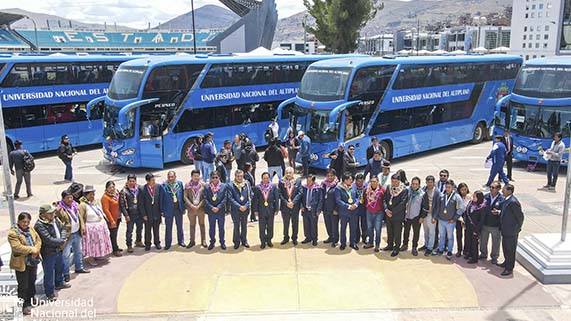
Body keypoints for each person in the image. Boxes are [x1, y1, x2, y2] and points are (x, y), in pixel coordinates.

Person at [8, 212, 41, 314]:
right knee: (23, 285)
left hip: (32, 261)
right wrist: (32, 250)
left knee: (32, 281)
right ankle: (24, 305)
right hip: (21, 263)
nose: (25, 224)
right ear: (18, 221)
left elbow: (38, 240)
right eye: (23, 222)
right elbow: (17, 247)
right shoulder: (13, 233)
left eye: (27, 222)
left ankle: (31, 299)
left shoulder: (30, 229)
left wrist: (36, 249)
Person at [35, 204, 69, 301]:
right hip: (48, 252)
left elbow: (63, 228)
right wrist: (61, 242)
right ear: (42, 215)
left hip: (58, 249)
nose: (52, 215)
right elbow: (48, 239)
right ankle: (49, 293)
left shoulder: (55, 219)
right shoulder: (39, 225)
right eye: (49, 213)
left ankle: (59, 283)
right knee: (49, 273)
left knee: (60, 267)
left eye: (52, 213)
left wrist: (62, 238)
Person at [56, 190, 89, 281]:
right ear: (63, 199)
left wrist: (82, 227)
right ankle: (66, 273)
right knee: (66, 255)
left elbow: (80, 218)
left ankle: (79, 267)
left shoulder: (75, 206)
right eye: (67, 198)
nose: (70, 199)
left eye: (71, 197)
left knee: (78, 251)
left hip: (77, 232)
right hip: (68, 235)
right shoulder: (60, 209)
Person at [78, 185, 112, 266]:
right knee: (92, 244)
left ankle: (98, 255)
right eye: (90, 194)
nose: (92, 196)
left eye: (93, 194)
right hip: (90, 228)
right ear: (86, 195)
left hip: (99, 226)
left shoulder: (95, 202)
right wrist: (82, 228)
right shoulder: (82, 205)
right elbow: (81, 217)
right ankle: (91, 258)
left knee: (98, 243)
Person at [496, 184, 524, 276]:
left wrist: (517, 228)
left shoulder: (513, 202)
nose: (502, 191)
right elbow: (506, 212)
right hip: (505, 229)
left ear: (509, 191)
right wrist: (499, 212)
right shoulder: (506, 200)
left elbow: (520, 217)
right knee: (505, 248)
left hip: (511, 231)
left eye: (504, 189)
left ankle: (509, 268)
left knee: (510, 249)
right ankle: (506, 262)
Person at [434, 179, 465, 260]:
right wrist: (436, 217)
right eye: (446, 187)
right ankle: (440, 250)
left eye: (449, 187)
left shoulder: (456, 196)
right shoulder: (442, 195)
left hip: (450, 221)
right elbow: (438, 207)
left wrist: (455, 218)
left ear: (453, 188)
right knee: (442, 236)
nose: (447, 189)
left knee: (450, 237)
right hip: (441, 220)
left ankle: (449, 251)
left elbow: (461, 208)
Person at [480, 181, 505, 264]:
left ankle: (494, 257)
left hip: (496, 225)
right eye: (491, 187)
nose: (491, 189)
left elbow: (505, 211)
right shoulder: (485, 196)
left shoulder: (502, 199)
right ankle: (483, 254)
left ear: (499, 189)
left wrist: (499, 212)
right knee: (483, 241)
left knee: (496, 242)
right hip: (485, 223)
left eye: (493, 188)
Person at [383, 174, 408, 257]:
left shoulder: (403, 190)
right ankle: (390, 245)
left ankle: (396, 248)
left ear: (399, 181)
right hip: (388, 214)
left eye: (395, 181)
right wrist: (386, 209)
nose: (393, 183)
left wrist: (392, 212)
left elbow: (402, 204)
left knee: (397, 232)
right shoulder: (388, 187)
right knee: (389, 231)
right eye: (392, 181)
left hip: (397, 215)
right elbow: (384, 200)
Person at [252, 172, 279, 249]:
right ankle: (263, 241)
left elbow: (276, 198)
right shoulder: (257, 187)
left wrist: (277, 209)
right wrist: (255, 211)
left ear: (269, 178)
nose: (266, 180)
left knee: (270, 226)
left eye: (267, 178)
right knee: (262, 226)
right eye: (264, 178)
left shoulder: (273, 187)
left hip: (271, 210)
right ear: (262, 179)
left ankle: (269, 240)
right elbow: (255, 200)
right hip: (261, 210)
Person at [227, 170, 252, 249]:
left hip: (245, 209)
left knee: (244, 225)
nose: (240, 178)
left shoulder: (247, 184)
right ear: (235, 176)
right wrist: (239, 206)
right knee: (236, 225)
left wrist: (246, 205)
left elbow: (251, 195)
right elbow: (230, 198)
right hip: (235, 210)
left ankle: (244, 240)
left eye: (241, 176)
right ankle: (236, 241)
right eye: (238, 176)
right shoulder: (230, 185)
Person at [120, 174, 144, 253]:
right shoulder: (123, 191)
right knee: (129, 230)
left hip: (139, 213)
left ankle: (138, 240)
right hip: (130, 214)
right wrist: (126, 215)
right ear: (127, 181)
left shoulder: (139, 189)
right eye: (130, 181)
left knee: (140, 228)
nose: (132, 183)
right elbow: (122, 205)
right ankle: (129, 245)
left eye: (133, 181)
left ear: (135, 181)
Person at [161, 171, 185, 250]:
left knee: (180, 226)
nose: (170, 178)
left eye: (172, 177)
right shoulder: (164, 186)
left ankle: (181, 241)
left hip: (178, 208)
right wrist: (162, 210)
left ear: (175, 177)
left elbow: (182, 196)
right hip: (168, 210)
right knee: (168, 227)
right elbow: (161, 199)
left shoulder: (180, 184)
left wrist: (183, 208)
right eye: (169, 177)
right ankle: (168, 243)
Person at [278, 167, 302, 245]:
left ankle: (294, 238)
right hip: (285, 206)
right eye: (287, 172)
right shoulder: (281, 182)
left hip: (295, 206)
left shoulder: (297, 181)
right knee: (286, 223)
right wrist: (286, 203)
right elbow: (280, 193)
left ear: (293, 173)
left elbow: (300, 193)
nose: (288, 174)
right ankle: (285, 237)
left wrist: (293, 202)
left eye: (290, 173)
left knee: (295, 223)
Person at [336, 173, 360, 251]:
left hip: (354, 211)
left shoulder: (354, 186)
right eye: (349, 179)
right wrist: (348, 206)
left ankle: (352, 243)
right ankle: (343, 243)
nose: (351, 181)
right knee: (343, 228)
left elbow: (357, 196)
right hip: (344, 212)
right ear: (345, 180)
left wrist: (356, 204)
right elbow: (338, 200)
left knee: (353, 228)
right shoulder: (339, 188)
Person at [204, 172, 228, 250]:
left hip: (220, 210)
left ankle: (222, 242)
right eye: (213, 177)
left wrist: (218, 207)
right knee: (212, 228)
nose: (214, 179)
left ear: (219, 178)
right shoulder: (207, 187)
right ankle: (212, 242)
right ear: (210, 178)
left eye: (216, 177)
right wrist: (211, 207)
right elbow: (205, 199)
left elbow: (225, 198)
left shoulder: (224, 186)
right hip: (211, 211)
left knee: (221, 228)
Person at [183, 170, 207, 248]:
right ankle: (192, 241)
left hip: (200, 209)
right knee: (192, 225)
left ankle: (203, 240)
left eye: (198, 176)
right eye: (194, 176)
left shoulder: (203, 185)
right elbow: (185, 196)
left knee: (202, 224)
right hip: (191, 209)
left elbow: (205, 197)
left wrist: (199, 205)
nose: (196, 177)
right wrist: (191, 205)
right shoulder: (187, 185)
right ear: (191, 176)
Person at [402, 177, 424, 256]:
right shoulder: (407, 191)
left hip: (416, 216)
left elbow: (424, 207)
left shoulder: (422, 194)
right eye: (413, 184)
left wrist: (422, 217)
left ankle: (414, 247)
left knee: (416, 232)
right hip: (407, 215)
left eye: (416, 184)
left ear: (419, 185)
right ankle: (405, 245)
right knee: (406, 231)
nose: (414, 186)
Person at [140, 173, 163, 251]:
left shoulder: (158, 187)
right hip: (148, 213)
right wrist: (144, 215)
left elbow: (161, 199)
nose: (154, 181)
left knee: (156, 229)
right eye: (152, 180)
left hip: (157, 212)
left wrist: (161, 211)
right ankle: (148, 244)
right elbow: (141, 203)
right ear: (147, 181)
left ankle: (157, 243)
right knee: (147, 230)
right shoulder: (143, 189)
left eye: (154, 180)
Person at [420, 175, 440, 256]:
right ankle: (426, 244)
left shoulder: (437, 192)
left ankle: (430, 248)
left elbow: (438, 206)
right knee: (426, 231)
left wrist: (435, 217)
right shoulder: (424, 189)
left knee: (432, 232)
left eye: (431, 182)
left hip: (432, 215)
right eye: (428, 182)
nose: (429, 184)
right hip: (425, 214)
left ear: (434, 183)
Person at [364, 176, 385, 252]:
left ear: (378, 181)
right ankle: (370, 242)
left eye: (374, 181)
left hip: (379, 212)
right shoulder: (367, 190)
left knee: (378, 229)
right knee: (369, 228)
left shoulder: (382, 190)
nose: (373, 183)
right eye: (371, 181)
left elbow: (384, 201)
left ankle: (377, 245)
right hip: (369, 211)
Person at [101, 181, 122, 256]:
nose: (112, 189)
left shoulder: (116, 194)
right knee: (113, 234)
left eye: (113, 187)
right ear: (106, 188)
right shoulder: (105, 197)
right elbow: (106, 210)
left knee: (115, 234)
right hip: (112, 219)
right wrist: (111, 220)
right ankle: (115, 250)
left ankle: (115, 246)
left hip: (118, 217)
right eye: (110, 187)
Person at [464, 191, 486, 264]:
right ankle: (469, 254)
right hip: (468, 226)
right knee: (468, 241)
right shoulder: (471, 203)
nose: (473, 198)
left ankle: (474, 258)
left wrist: (476, 230)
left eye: (475, 197)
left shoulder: (482, 207)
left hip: (475, 227)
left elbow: (481, 220)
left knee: (474, 243)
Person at [301, 174, 322, 246]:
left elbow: (320, 200)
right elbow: (300, 197)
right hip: (305, 209)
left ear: (313, 181)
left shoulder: (317, 188)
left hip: (314, 210)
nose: (308, 182)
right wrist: (301, 206)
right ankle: (308, 237)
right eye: (307, 180)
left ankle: (314, 239)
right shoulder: (304, 187)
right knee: (306, 224)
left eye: (309, 181)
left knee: (313, 225)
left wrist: (318, 210)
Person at [321, 169, 340, 247]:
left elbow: (340, 199)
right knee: (328, 224)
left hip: (334, 209)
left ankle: (335, 240)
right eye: (328, 176)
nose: (329, 177)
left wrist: (336, 209)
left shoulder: (338, 185)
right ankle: (330, 237)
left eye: (331, 176)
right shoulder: (323, 184)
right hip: (325, 208)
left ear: (334, 176)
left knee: (334, 225)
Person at [456, 182, 471, 258]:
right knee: (459, 235)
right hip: (458, 217)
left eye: (465, 189)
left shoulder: (470, 197)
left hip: (467, 218)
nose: (464, 191)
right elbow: (456, 209)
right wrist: (460, 219)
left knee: (467, 235)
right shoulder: (457, 197)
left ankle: (466, 250)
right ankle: (459, 250)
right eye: (462, 190)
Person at [354, 173, 368, 244]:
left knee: (364, 224)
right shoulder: (352, 187)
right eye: (358, 181)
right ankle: (357, 238)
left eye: (362, 181)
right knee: (356, 224)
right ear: (355, 181)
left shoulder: (367, 187)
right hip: (356, 208)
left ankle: (364, 238)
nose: (360, 183)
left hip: (364, 208)